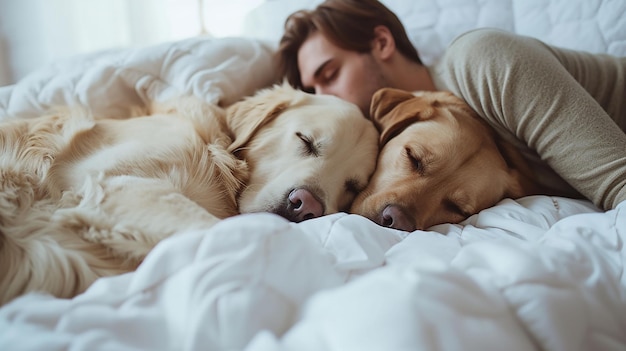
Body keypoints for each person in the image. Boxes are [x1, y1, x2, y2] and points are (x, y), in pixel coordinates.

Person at [275, 0, 626, 212]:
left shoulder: (481, 61)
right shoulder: (438, 141)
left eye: (331, 73)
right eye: (313, 88)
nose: (324, 98)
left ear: (382, 43)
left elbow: (618, 183)